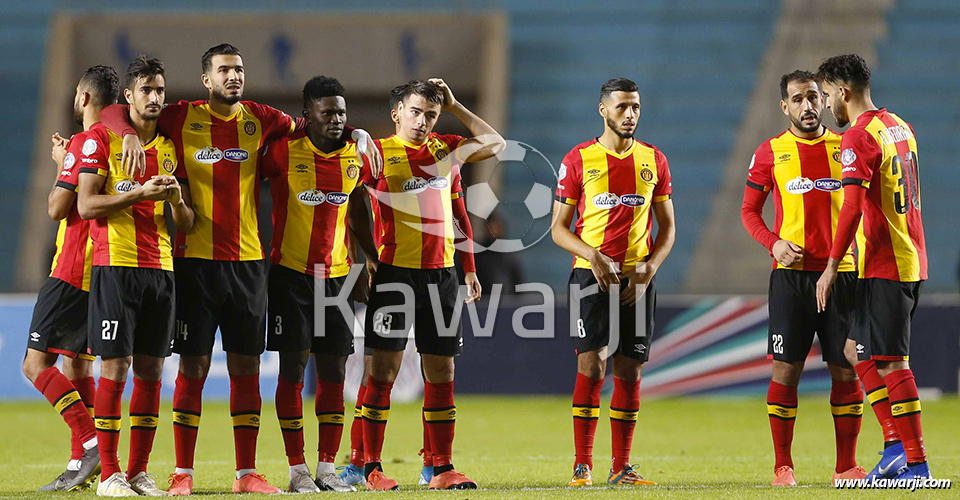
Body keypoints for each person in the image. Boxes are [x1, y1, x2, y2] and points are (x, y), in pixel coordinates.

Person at [99, 43, 380, 495]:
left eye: (239, 69)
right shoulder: (180, 116)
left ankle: (246, 473)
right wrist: (126, 133)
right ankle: (182, 474)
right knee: (193, 368)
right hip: (194, 263)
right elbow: (117, 111)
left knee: (246, 368)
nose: (234, 76)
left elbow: (319, 127)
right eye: (224, 70)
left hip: (249, 265)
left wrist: (358, 134)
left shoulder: (262, 119)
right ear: (206, 79)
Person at [358, 79, 503, 490]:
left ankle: (440, 468)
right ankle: (372, 467)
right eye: (416, 112)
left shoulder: (446, 150)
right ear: (397, 112)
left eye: (431, 114)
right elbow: (351, 204)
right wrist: (368, 256)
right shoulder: (378, 154)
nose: (422, 121)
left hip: (441, 275)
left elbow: (494, 148)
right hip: (394, 275)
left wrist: (469, 267)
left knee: (442, 370)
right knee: (382, 372)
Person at [76, 56, 194, 496]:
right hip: (115, 268)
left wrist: (177, 200)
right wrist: (139, 194)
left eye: (160, 90)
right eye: (146, 89)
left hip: (161, 271)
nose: (155, 97)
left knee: (151, 370)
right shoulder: (102, 139)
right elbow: (86, 207)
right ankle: (109, 474)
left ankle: (139, 472)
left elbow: (185, 224)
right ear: (128, 96)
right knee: (116, 367)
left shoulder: (168, 147)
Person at [741, 70, 865, 486]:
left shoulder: (846, 147)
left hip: (843, 276)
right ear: (784, 106)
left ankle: (846, 466)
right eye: (797, 99)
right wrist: (773, 243)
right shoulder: (770, 152)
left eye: (813, 97)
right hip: (792, 279)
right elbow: (749, 212)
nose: (808, 106)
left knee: (846, 369)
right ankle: (783, 466)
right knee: (786, 371)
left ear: (822, 99)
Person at [550, 77, 675, 487]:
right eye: (621, 107)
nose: (630, 114)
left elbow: (669, 227)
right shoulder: (578, 159)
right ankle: (581, 465)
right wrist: (592, 254)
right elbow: (558, 228)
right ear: (603, 110)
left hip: (638, 279)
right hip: (591, 276)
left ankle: (621, 466)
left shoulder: (654, 160)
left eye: (635, 106)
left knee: (630, 369)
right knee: (592, 362)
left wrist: (651, 267)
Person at [815, 54, 931, 481]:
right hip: (907, 256)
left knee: (893, 363)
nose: (827, 105)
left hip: (886, 263)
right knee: (854, 350)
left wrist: (830, 266)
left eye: (827, 95)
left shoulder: (858, 138)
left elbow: (850, 208)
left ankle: (916, 463)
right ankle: (895, 447)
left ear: (842, 91)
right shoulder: (899, 125)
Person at [262, 75, 378, 493]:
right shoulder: (282, 151)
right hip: (290, 275)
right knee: (292, 371)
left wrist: (370, 257)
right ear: (307, 114)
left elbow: (360, 204)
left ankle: (327, 468)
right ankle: (297, 471)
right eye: (327, 112)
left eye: (342, 114)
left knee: (334, 372)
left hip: (337, 278)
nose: (336, 119)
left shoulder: (357, 155)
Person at [22, 65, 120, 492]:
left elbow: (58, 208)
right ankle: (81, 460)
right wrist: (69, 162)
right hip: (99, 267)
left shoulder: (86, 141)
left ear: (82, 98)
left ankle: (90, 440)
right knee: (75, 363)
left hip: (71, 268)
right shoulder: (115, 140)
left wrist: (64, 165)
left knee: (34, 364)